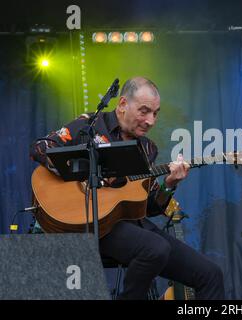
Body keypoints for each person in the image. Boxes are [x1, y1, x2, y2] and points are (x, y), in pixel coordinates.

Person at [30, 76, 225, 300]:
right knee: (155, 249)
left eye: (155, 113)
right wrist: (89, 173)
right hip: (90, 223)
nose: (151, 120)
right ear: (122, 104)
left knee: (211, 275)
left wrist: (170, 183)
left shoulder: (147, 148)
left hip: (130, 225)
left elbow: (148, 206)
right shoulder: (90, 125)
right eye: (144, 111)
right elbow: (40, 147)